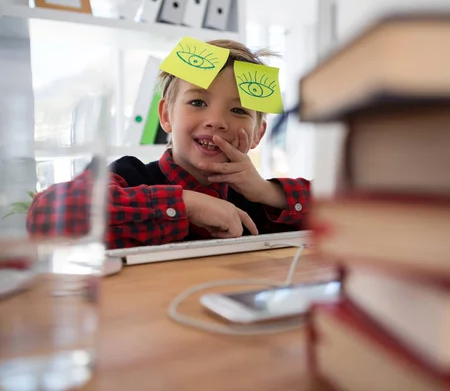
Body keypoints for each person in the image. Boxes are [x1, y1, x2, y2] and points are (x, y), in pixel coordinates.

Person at [26, 40, 310, 249]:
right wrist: (186, 204)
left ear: (258, 133)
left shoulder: (261, 201)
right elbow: (46, 216)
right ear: (165, 116)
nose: (216, 121)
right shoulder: (129, 175)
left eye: (238, 111)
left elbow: (348, 217)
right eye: (197, 102)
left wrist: (268, 192)